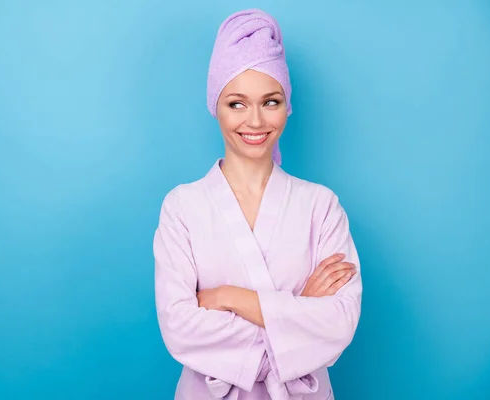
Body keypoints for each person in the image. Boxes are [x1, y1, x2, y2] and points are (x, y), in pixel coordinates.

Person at [153, 9, 362, 400]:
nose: (255, 120)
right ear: (215, 105)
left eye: (270, 101)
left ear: (287, 107)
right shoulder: (182, 207)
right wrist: (298, 312)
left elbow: (340, 322)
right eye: (236, 103)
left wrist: (228, 298)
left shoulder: (321, 205)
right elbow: (179, 326)